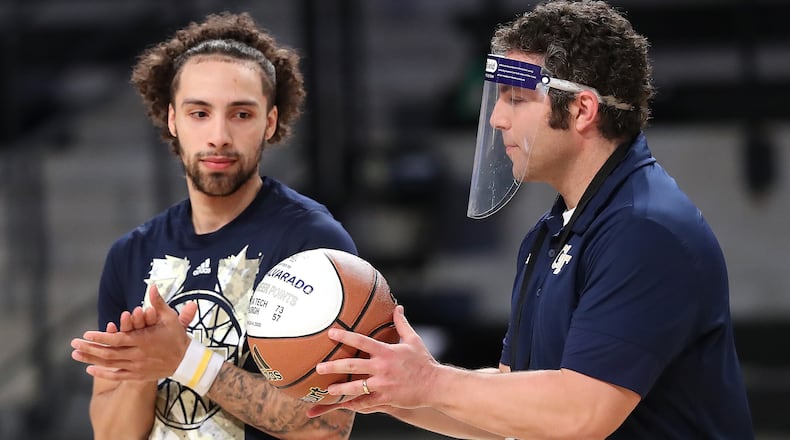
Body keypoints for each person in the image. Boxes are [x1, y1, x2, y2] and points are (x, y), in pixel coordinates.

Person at [306, 1, 755, 439]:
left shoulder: (645, 230)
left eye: (516, 98)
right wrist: (395, 393)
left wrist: (430, 382)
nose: (498, 119)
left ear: (581, 110)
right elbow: (514, 413)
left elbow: (582, 413)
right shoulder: (554, 231)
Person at [69, 12, 357, 440]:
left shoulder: (314, 243)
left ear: (271, 123)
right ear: (172, 120)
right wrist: (146, 365)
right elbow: (113, 435)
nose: (219, 135)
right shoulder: (130, 255)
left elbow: (328, 426)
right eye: (199, 113)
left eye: (241, 114)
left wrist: (186, 360)